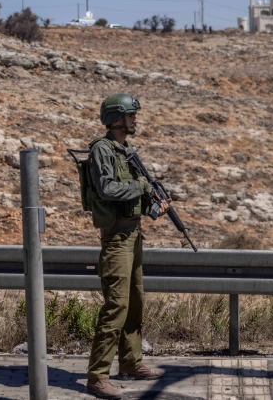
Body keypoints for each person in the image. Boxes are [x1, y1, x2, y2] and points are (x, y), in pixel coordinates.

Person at [85, 93, 166, 399]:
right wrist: (141, 185)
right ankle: (97, 377)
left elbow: (132, 197)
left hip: (133, 233)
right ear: (116, 118)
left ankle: (131, 362)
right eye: (131, 114)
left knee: (135, 301)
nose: (135, 119)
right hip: (116, 237)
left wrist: (154, 204)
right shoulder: (102, 150)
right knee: (116, 306)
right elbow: (106, 188)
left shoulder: (127, 151)